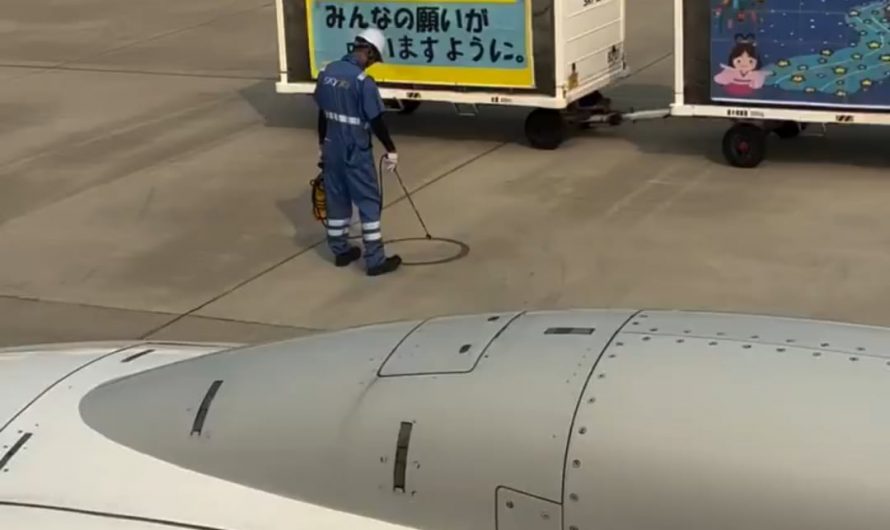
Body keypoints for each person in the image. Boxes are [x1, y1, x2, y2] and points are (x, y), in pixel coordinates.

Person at [314, 27, 401, 277]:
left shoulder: (328, 72)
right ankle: (375, 260)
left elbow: (322, 112)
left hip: (331, 146)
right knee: (368, 202)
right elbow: (376, 121)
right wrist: (391, 149)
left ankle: (340, 251)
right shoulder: (363, 82)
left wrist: (322, 144)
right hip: (355, 149)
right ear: (370, 52)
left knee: (337, 198)